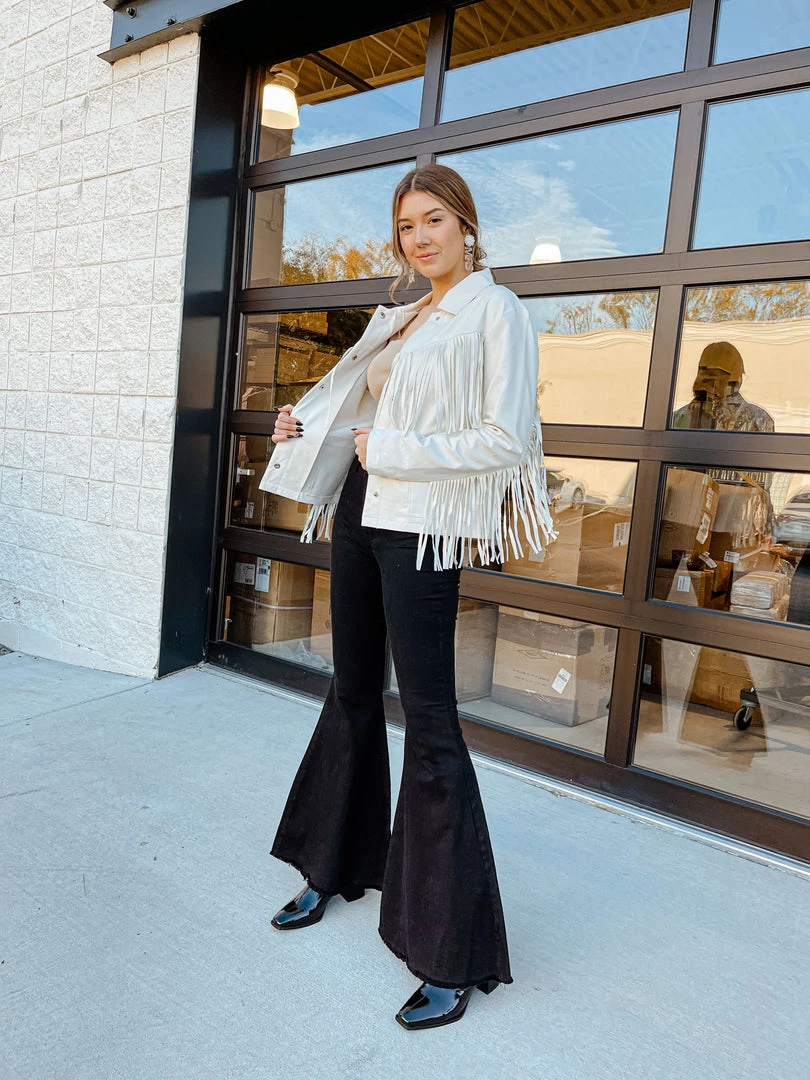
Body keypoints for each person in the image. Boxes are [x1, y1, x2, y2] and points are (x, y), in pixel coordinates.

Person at [258, 164, 555, 1031]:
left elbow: (507, 439)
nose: (418, 238)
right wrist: (301, 426)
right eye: (405, 226)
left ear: (466, 224)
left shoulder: (494, 311)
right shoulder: (401, 315)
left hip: (421, 527)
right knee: (351, 691)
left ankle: (449, 951)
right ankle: (333, 867)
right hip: (360, 510)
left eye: (433, 220)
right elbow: (352, 412)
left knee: (430, 724)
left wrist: (391, 449)